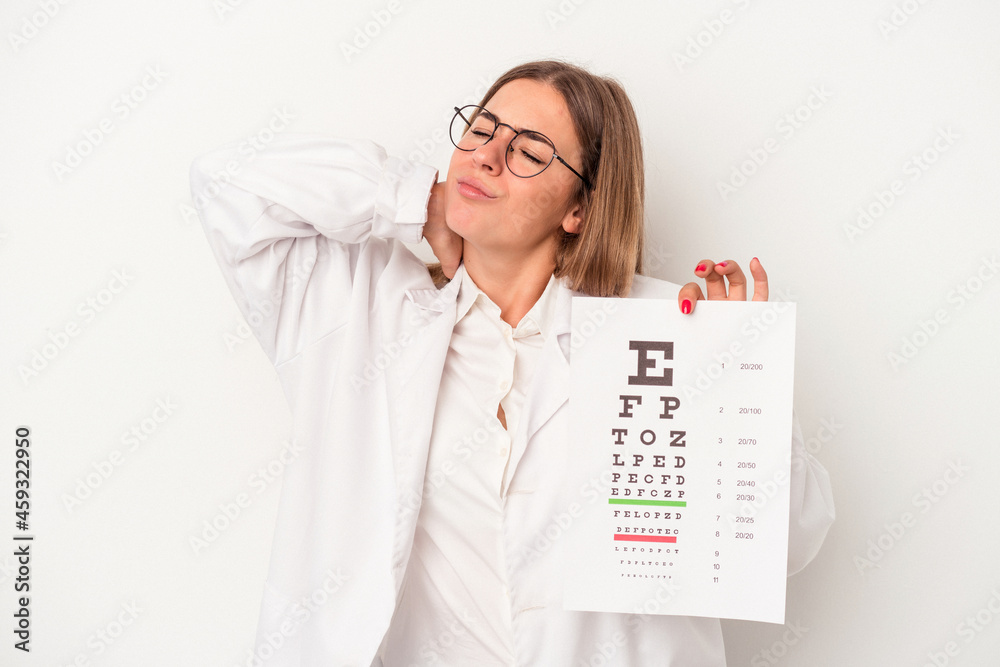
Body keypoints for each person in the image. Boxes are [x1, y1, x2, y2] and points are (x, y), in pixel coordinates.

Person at [191, 59, 834, 667]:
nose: (487, 155)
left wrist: (743, 387)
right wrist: (416, 201)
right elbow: (225, 184)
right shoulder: (358, 315)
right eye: (481, 129)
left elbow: (790, 544)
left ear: (580, 209)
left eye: (529, 151)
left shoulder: (667, 332)